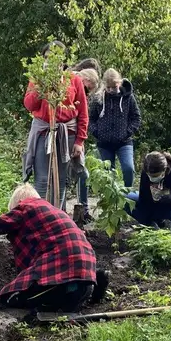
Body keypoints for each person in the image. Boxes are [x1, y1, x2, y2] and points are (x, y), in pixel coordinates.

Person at [0, 183, 107, 310]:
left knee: (9, 299)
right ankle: (94, 279)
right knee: (70, 289)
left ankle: (68, 289)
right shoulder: (55, 212)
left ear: (18, 204)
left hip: (62, 279)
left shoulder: (25, 208)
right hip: (86, 273)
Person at [23, 41, 90, 208]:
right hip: (44, 131)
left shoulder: (73, 80)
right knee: (42, 179)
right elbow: (30, 105)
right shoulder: (37, 79)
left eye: (55, 58)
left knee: (60, 180)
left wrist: (80, 141)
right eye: (47, 58)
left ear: (62, 60)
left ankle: (57, 218)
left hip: (66, 132)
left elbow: (83, 111)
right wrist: (41, 86)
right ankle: (40, 218)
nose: (50, 61)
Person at [90, 68, 142, 188]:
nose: (111, 90)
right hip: (104, 143)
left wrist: (127, 132)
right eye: (108, 88)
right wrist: (96, 132)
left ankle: (128, 196)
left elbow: (136, 118)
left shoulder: (128, 98)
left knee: (129, 168)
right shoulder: (98, 99)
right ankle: (111, 202)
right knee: (108, 175)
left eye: (113, 87)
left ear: (119, 83)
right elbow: (91, 119)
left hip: (124, 141)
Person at [70, 67, 101, 225]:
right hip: (65, 135)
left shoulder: (80, 90)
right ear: (86, 80)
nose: (87, 93)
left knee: (83, 174)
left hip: (75, 138)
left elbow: (84, 117)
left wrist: (80, 140)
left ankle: (84, 210)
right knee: (70, 177)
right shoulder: (68, 83)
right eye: (89, 89)